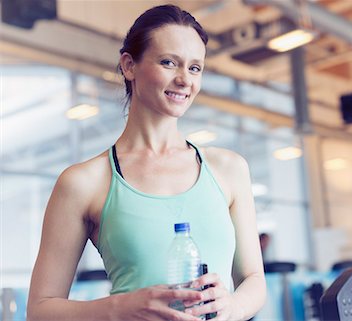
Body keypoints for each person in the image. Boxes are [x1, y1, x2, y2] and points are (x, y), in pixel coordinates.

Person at [27, 5, 266, 321]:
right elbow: (40, 310)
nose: (184, 80)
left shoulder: (229, 169)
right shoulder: (84, 182)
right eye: (169, 63)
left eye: (195, 68)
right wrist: (119, 308)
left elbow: (254, 280)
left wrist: (231, 307)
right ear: (129, 65)